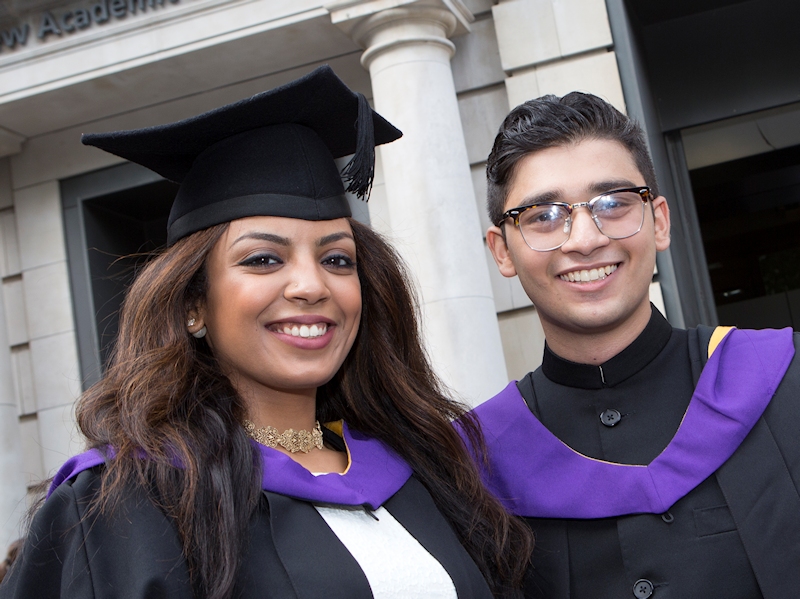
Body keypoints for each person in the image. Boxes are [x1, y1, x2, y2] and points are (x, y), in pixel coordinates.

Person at [0, 66, 531, 599]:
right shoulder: (125, 502)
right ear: (193, 305)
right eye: (262, 259)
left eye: (337, 259)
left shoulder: (425, 470)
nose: (311, 285)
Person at [472, 91, 800, 599]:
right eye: (543, 216)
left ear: (660, 221)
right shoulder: (473, 466)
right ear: (502, 251)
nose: (583, 238)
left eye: (614, 204)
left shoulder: (784, 382)